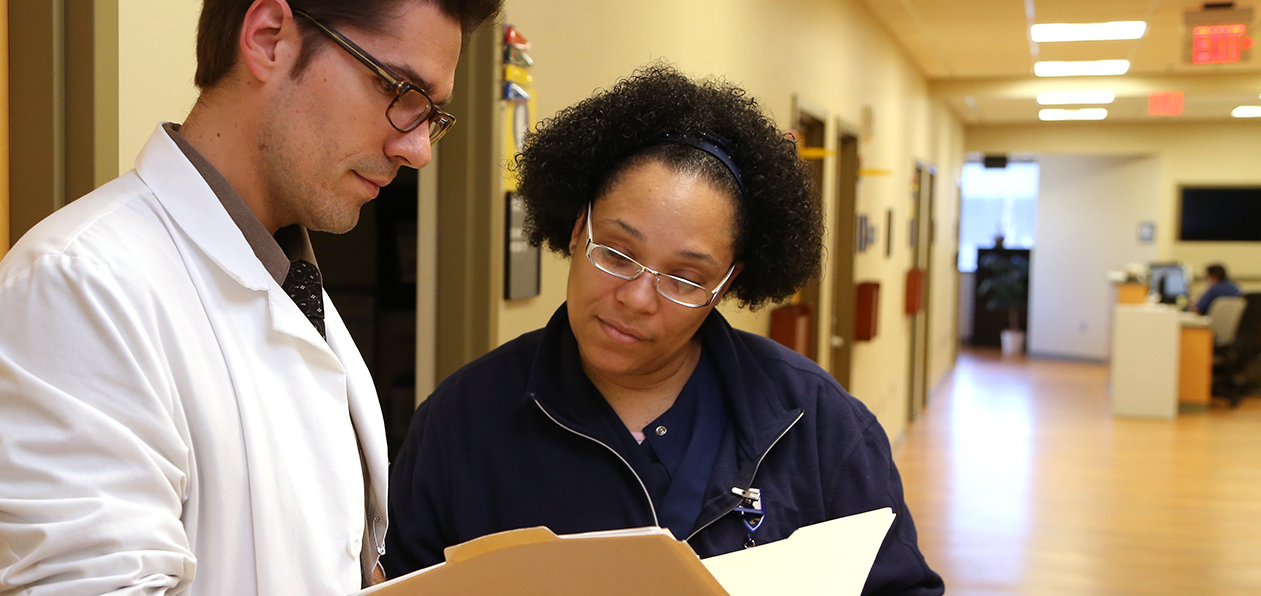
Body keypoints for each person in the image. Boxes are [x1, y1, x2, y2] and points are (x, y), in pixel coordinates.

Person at [0, 0, 500, 594]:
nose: (418, 150)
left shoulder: (290, 282)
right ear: (270, 37)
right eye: (400, 91)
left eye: (430, 114)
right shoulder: (76, 288)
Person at [383, 65, 944, 596]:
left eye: (685, 277)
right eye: (618, 253)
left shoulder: (816, 421)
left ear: (725, 285)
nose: (635, 298)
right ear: (579, 231)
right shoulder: (463, 420)